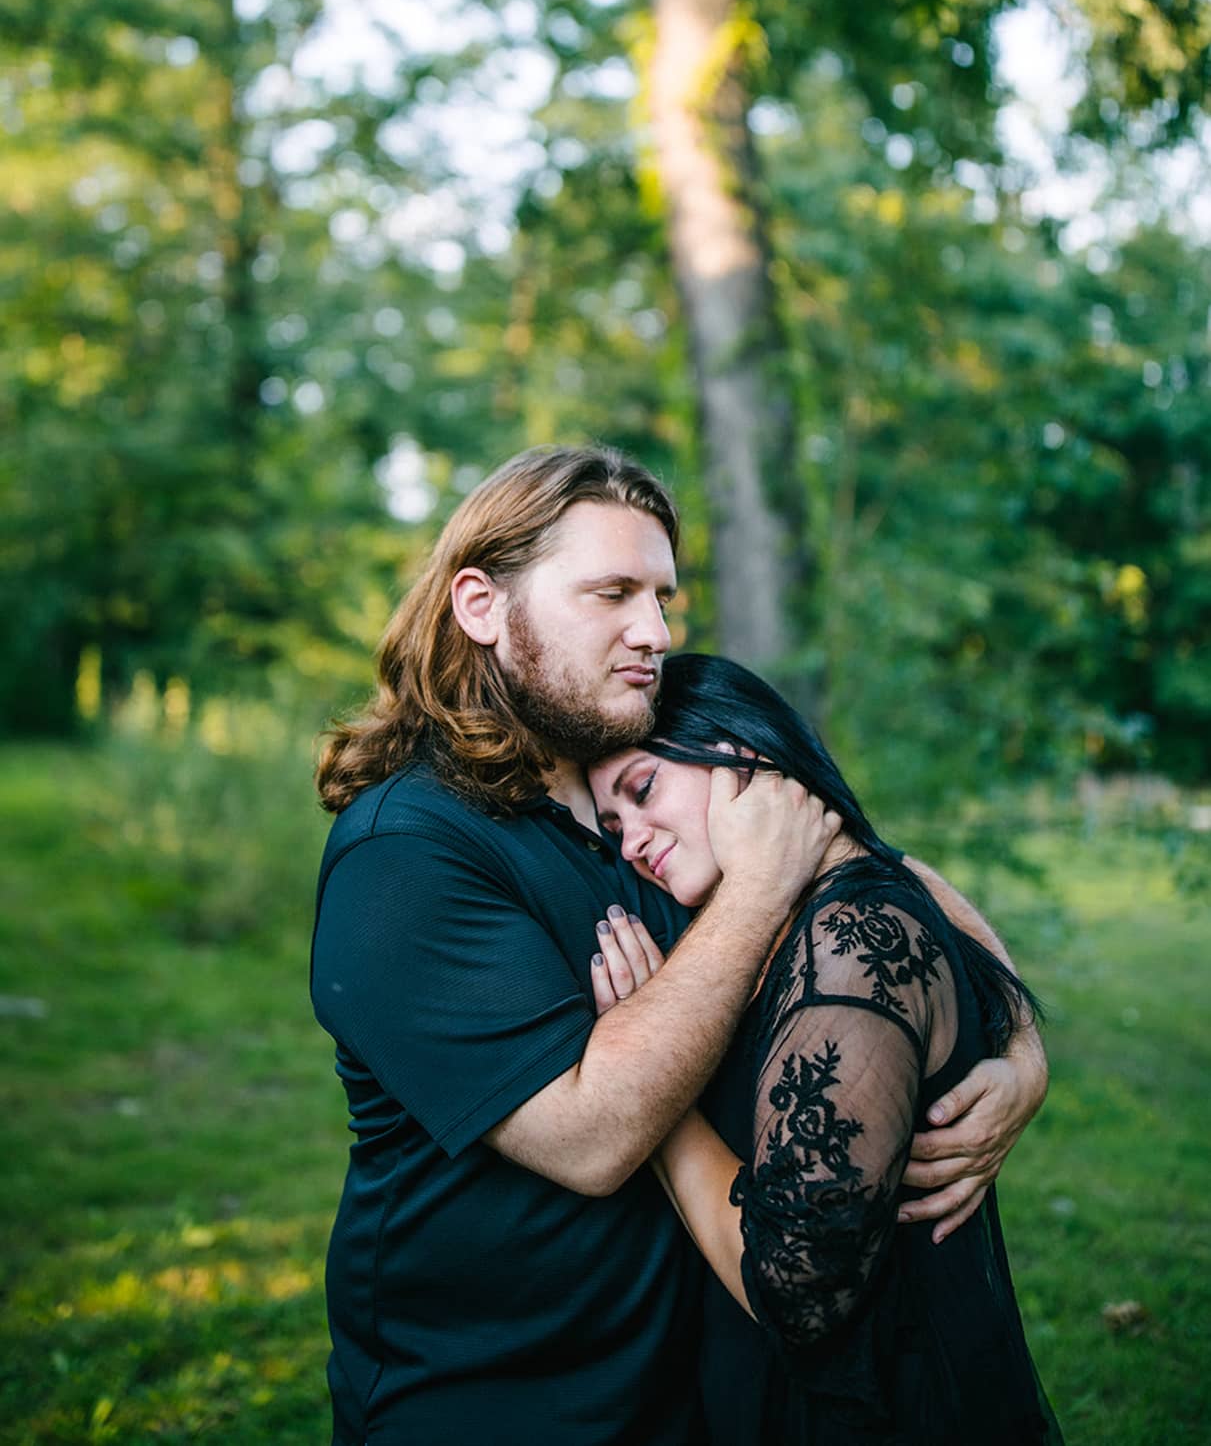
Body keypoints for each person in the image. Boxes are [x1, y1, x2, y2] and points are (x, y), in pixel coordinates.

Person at [310, 444, 1048, 1445]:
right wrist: (758, 884)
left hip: (696, 1391)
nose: (652, 631)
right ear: (480, 605)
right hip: (500, 1401)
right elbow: (592, 1134)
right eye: (611, 592)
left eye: (662, 596)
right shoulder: (407, 854)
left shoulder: (626, 761)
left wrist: (1015, 1044)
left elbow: (873, 865)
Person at [587, 651, 1062, 1446]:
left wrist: (653, 1104)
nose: (631, 840)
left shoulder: (851, 942)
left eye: (642, 791)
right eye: (612, 826)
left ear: (741, 756)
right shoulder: (782, 912)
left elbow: (795, 1291)